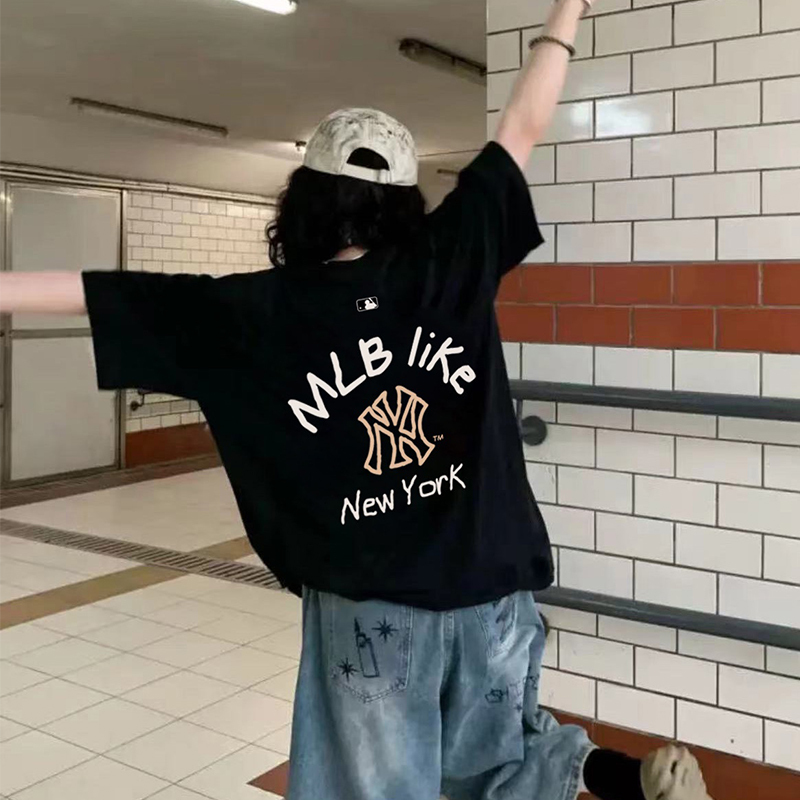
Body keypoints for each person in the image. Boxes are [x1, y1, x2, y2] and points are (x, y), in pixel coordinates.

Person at [0, 1, 714, 798]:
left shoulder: (256, 312)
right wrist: (567, 11)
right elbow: (522, 126)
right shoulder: (450, 258)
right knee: (499, 759)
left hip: (371, 612)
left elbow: (90, 292)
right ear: (404, 205)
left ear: (304, 203)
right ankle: (617, 780)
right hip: (490, 584)